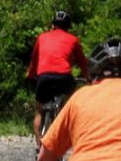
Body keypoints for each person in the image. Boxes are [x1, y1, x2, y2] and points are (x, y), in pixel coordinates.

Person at [27, 10, 89, 142]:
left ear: (53, 25)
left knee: (38, 111)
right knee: (68, 105)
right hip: (64, 78)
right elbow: (83, 64)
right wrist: (88, 78)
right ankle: (63, 118)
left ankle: (39, 144)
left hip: (44, 78)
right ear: (68, 26)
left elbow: (34, 61)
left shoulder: (42, 37)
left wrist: (31, 75)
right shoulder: (73, 40)